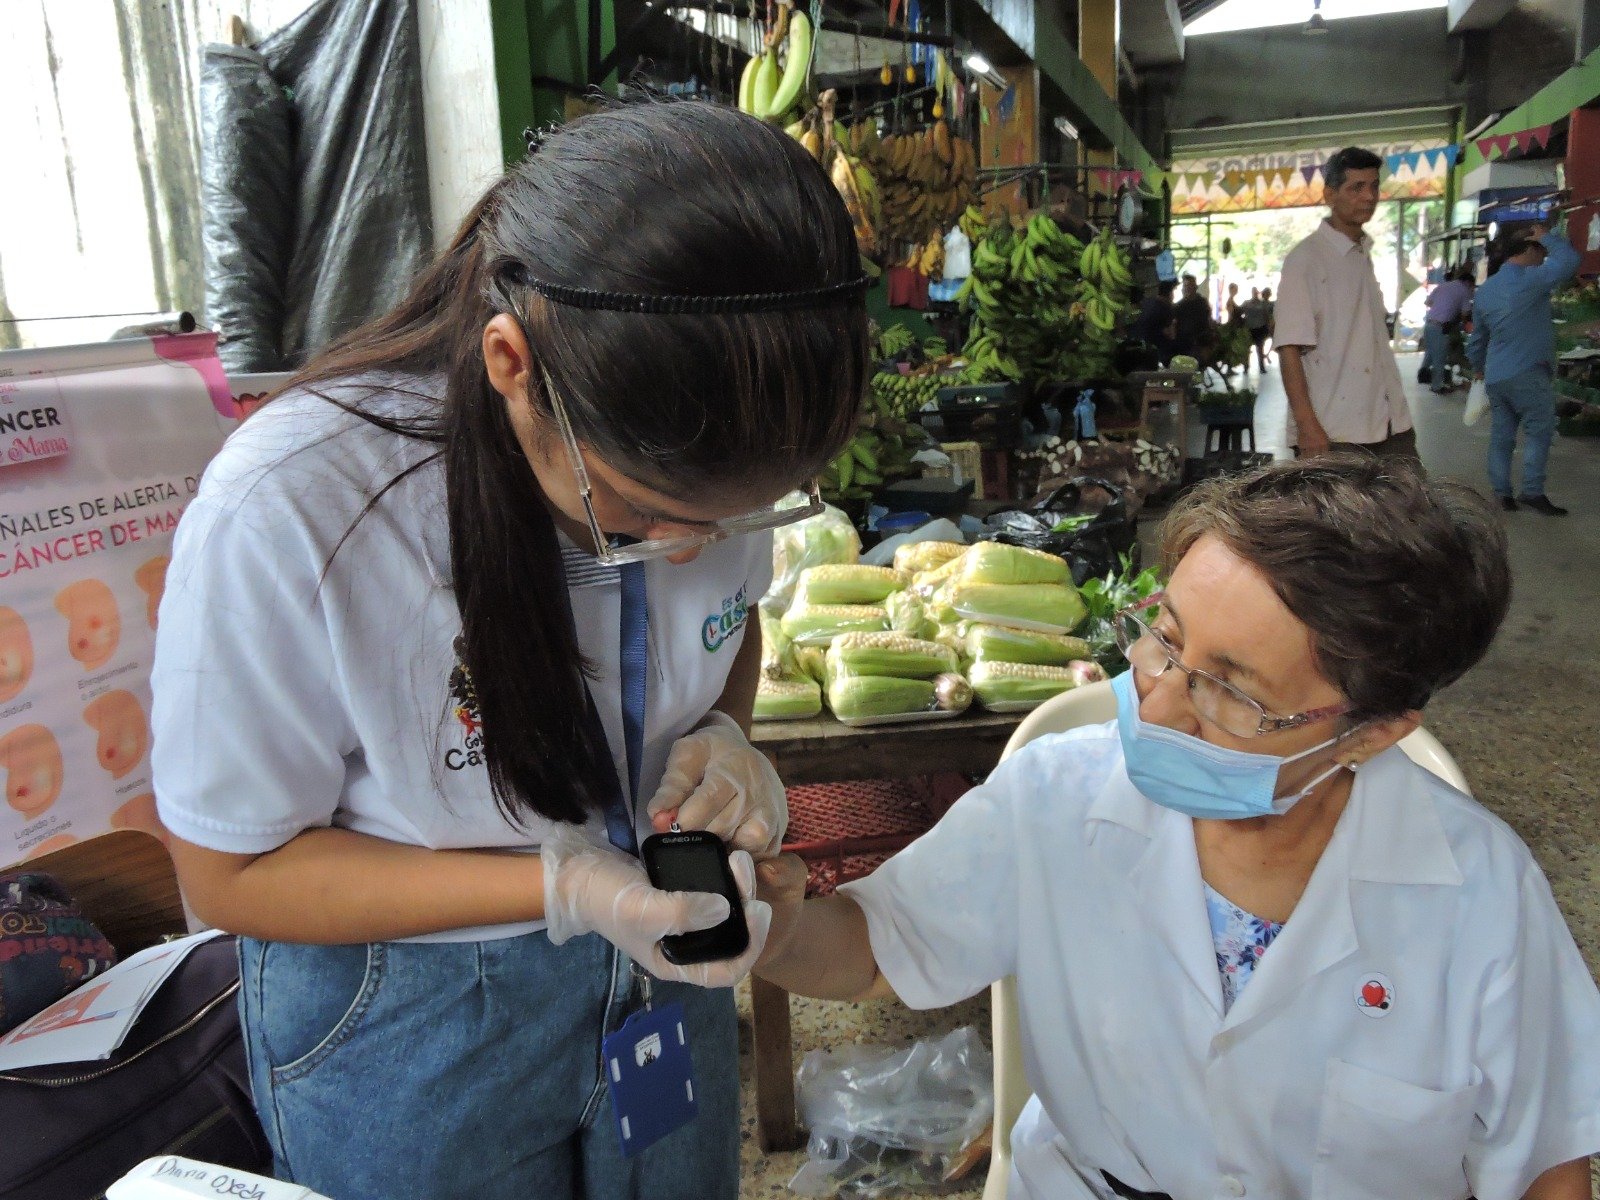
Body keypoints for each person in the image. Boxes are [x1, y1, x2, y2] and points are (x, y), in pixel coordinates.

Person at [149, 103, 870, 1200]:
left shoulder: (705, 477)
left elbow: (728, 623)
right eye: (642, 511)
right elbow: (232, 870)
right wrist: (556, 884)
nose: (688, 555)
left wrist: (725, 732)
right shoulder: (296, 502)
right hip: (414, 1020)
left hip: (654, 975)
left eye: (739, 520)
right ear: (510, 363)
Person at [756, 455, 1600, 1200]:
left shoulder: (1479, 892)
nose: (1157, 705)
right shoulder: (1056, 796)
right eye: (1164, 639)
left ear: (1373, 733)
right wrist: (770, 921)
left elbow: (1543, 1168)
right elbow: (878, 948)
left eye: (1230, 691)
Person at [1275, 147, 1415, 458]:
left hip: (1391, 423)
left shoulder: (1363, 253)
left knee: (1410, 505)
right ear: (1330, 195)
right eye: (1356, 187)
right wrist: (1307, 426)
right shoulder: (1306, 260)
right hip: (1334, 431)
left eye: (1374, 186)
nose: (1369, 197)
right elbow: (1289, 348)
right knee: (1342, 509)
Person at [1467, 221, 1580, 515]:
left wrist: (1478, 368)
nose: (1543, 256)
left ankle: (1502, 493)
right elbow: (1569, 261)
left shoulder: (1486, 290)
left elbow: (1478, 338)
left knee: (1502, 435)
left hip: (1496, 375)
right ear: (1529, 248)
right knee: (1538, 431)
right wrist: (1548, 237)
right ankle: (1532, 490)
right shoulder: (1532, 280)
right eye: (1540, 250)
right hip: (1528, 372)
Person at [1422, 266, 1476, 394]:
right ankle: (1437, 386)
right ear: (1468, 283)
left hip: (1429, 323)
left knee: (1430, 353)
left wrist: (1443, 307)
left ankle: (1424, 376)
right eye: (1472, 286)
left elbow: (1428, 302)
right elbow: (1465, 314)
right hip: (1441, 326)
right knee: (1439, 357)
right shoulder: (1464, 290)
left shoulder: (1442, 286)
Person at [1131, 279, 1178, 363]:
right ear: (1170, 294)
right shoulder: (1166, 309)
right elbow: (1171, 334)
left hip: (1138, 350)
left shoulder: (1146, 303)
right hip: (1157, 354)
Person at [1172, 273, 1212, 361]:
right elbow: (1175, 326)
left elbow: (1208, 319)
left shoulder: (1202, 303)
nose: (1187, 288)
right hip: (1185, 344)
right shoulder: (1179, 306)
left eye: (1190, 285)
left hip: (1202, 341)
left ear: (1195, 287)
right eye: (1186, 286)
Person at [1239, 287, 1270, 371]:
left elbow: (1266, 315)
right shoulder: (1247, 303)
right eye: (1254, 292)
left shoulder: (1262, 304)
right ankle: (1246, 367)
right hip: (1249, 329)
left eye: (1256, 292)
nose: (1255, 294)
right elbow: (1239, 312)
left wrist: (1268, 326)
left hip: (1260, 328)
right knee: (1247, 349)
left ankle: (1261, 366)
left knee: (1260, 348)